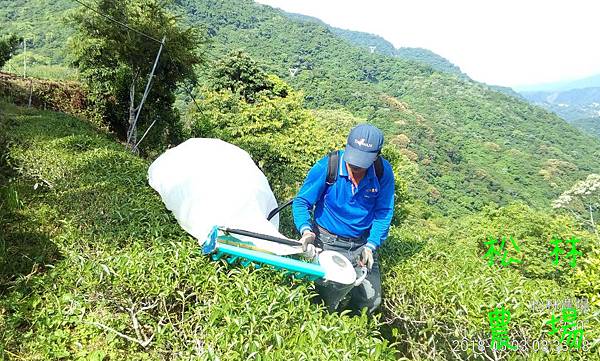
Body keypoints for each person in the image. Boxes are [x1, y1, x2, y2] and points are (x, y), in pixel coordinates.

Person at [292, 123, 395, 314]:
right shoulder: (328, 166)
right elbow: (301, 202)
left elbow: (384, 212)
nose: (355, 167)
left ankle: (348, 330)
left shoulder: (382, 172)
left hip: (361, 244)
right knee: (321, 299)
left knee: (370, 301)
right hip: (327, 240)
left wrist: (371, 245)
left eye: (362, 163)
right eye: (353, 160)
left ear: (376, 157)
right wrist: (306, 230)